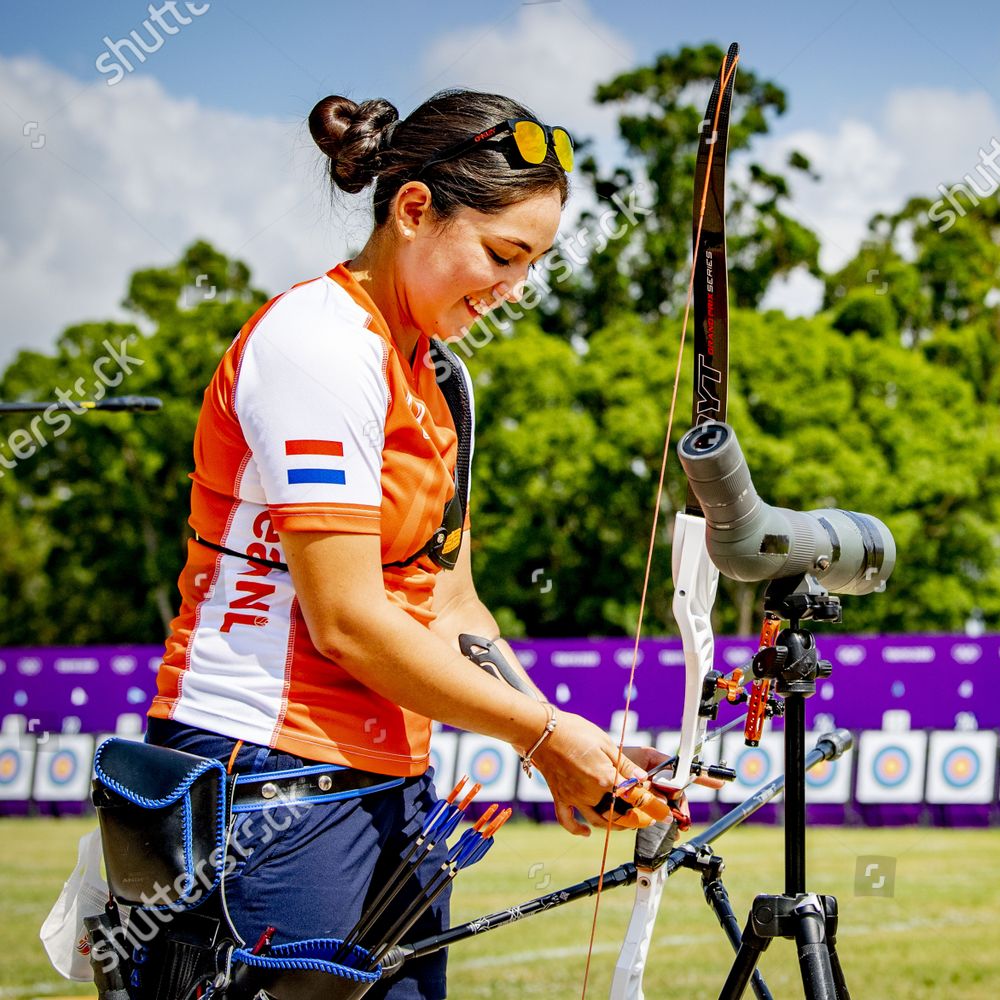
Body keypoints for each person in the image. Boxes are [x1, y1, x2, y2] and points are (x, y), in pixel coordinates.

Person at [144, 90, 675, 998]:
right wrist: (545, 738)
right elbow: (347, 621)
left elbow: (452, 604)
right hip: (265, 773)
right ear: (415, 208)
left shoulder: (441, 374)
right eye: (502, 254)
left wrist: (571, 747)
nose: (513, 288)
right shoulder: (318, 343)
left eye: (533, 264)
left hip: (390, 779)